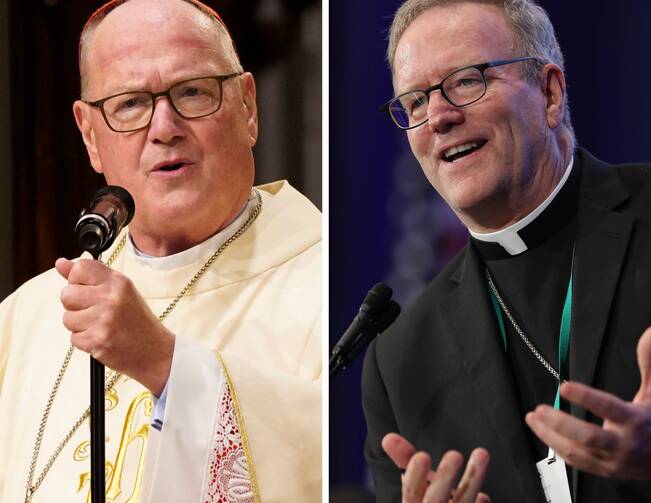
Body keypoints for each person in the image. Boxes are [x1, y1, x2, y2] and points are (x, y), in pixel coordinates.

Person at [0, 1, 321, 502]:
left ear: (248, 107)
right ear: (90, 135)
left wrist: (168, 367)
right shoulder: (26, 317)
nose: (165, 127)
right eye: (130, 104)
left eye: (192, 92)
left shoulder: (336, 286)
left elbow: (348, 467)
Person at [362, 0, 651, 501]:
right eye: (414, 102)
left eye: (467, 81)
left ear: (550, 92)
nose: (438, 117)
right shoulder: (400, 363)